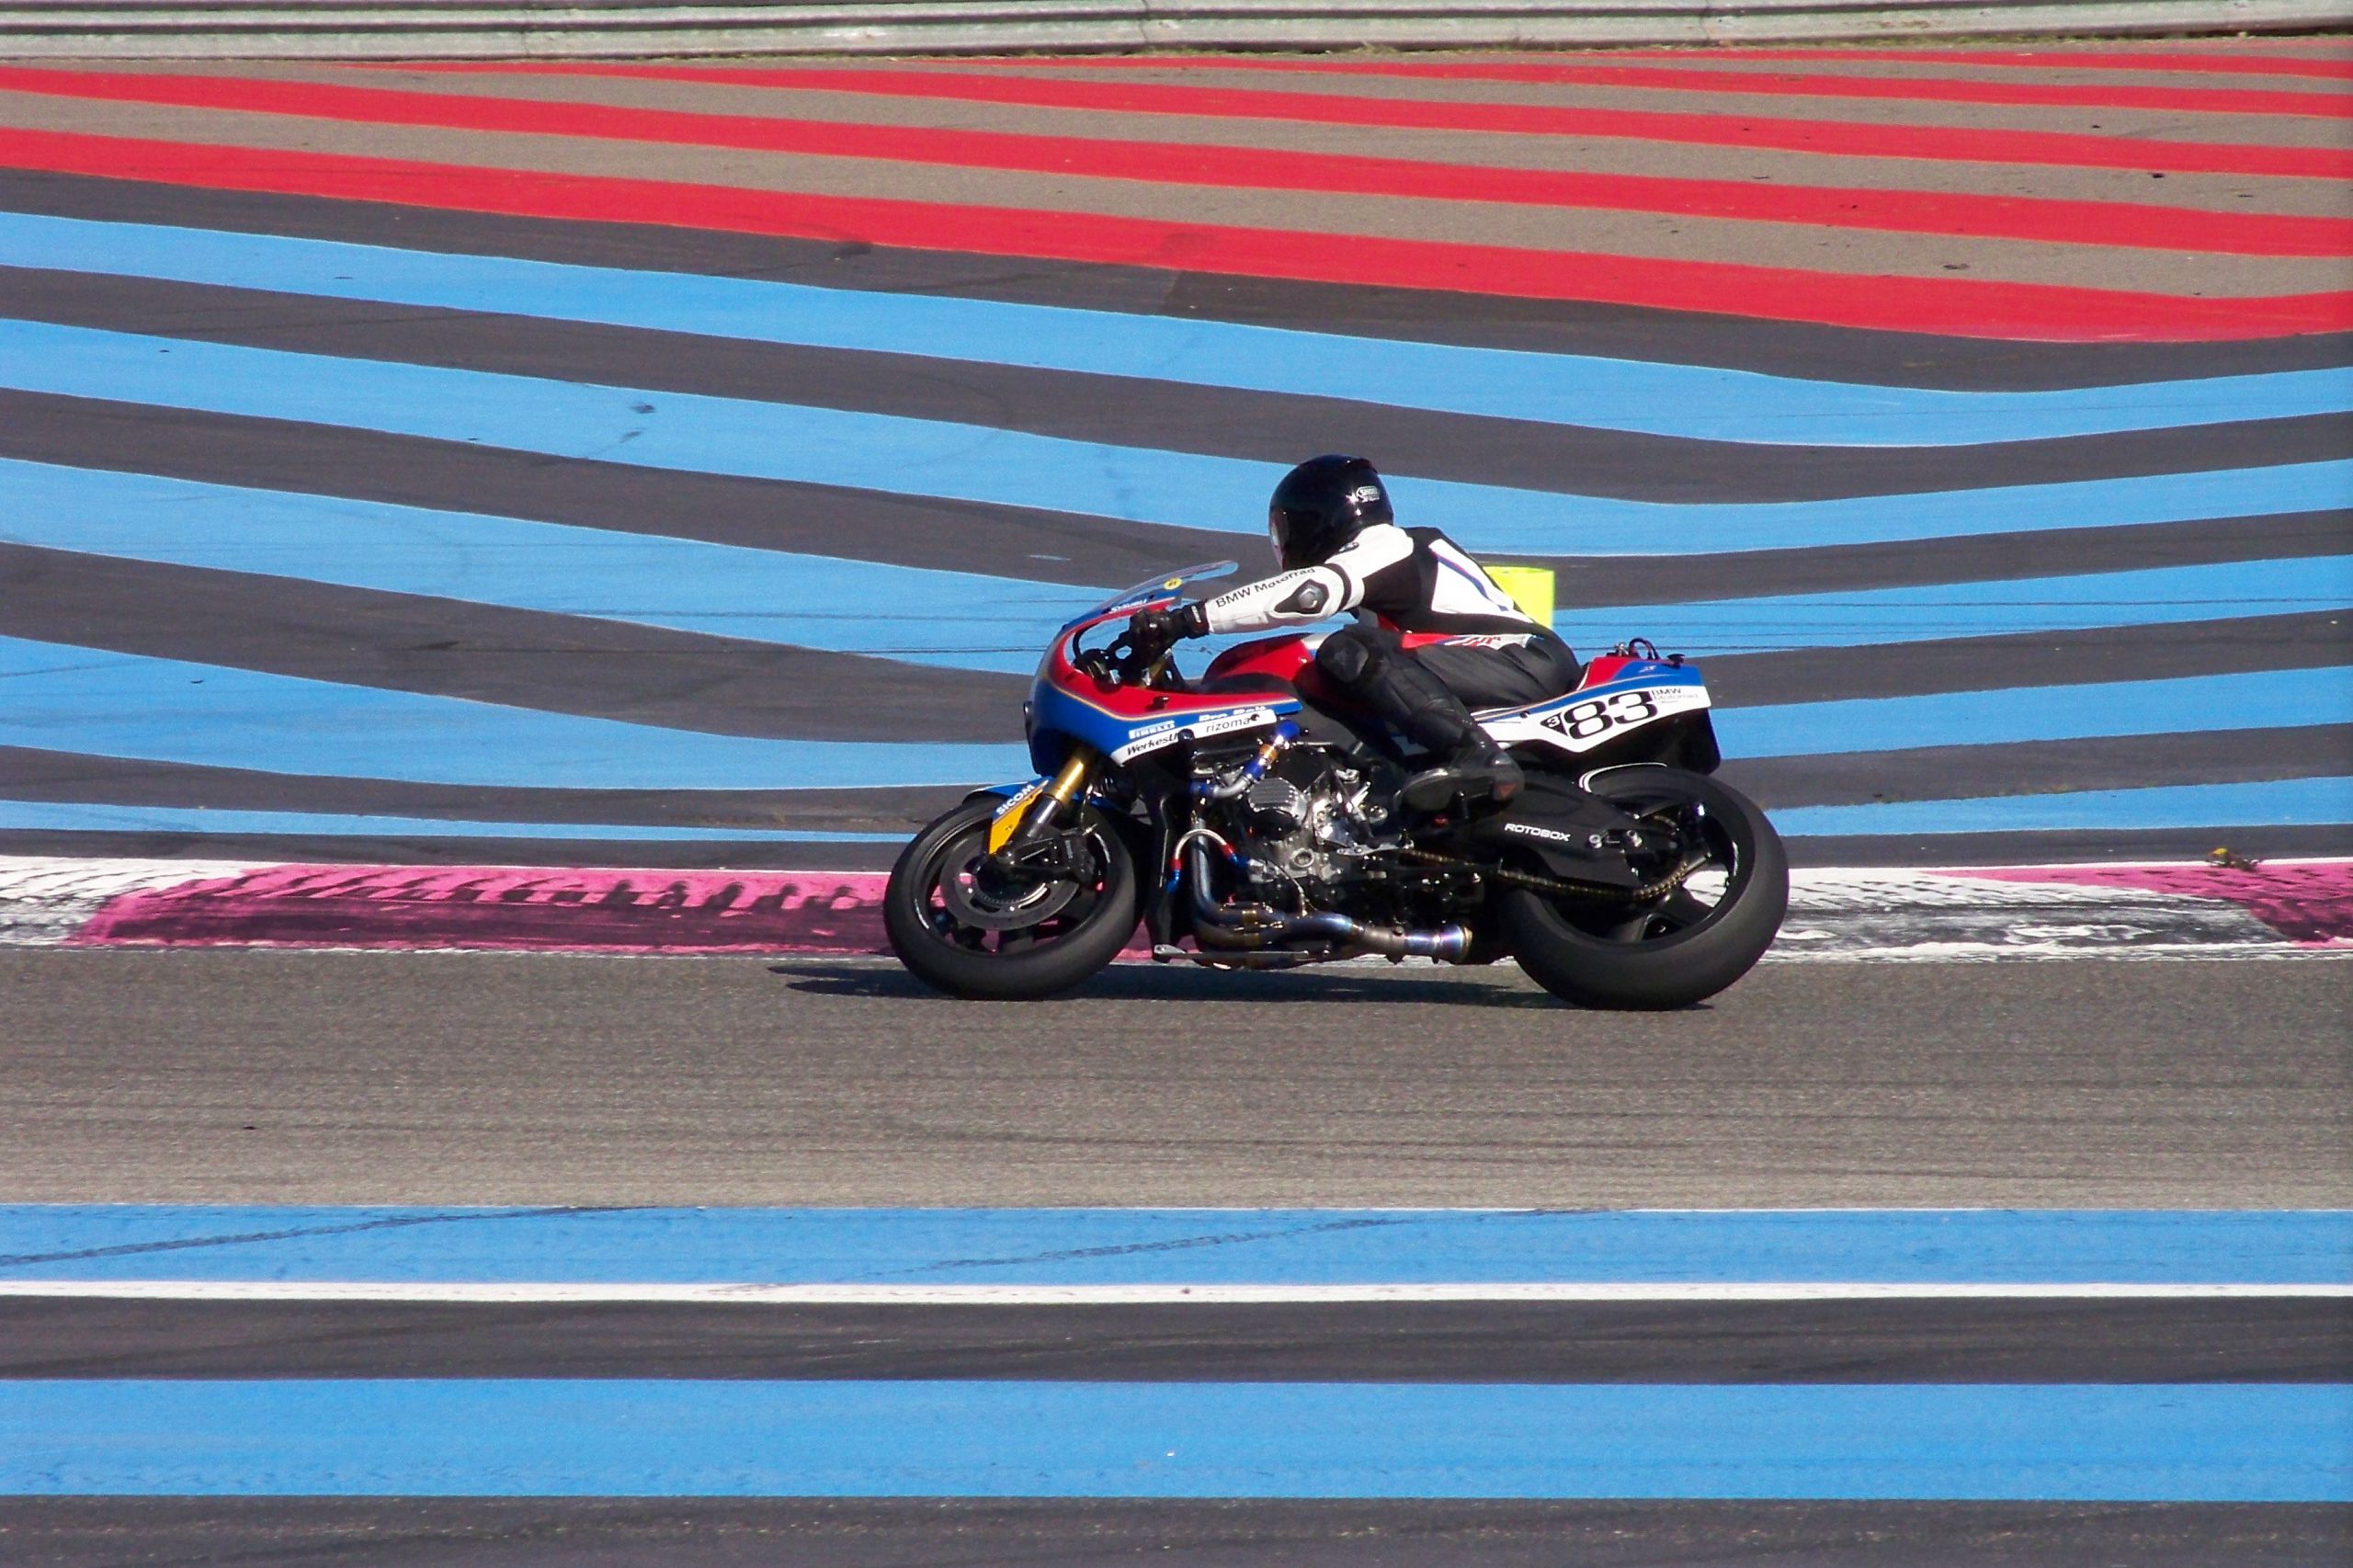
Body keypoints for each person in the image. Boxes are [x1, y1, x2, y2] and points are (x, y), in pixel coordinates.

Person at [1130, 454, 1578, 813]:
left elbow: (1307, 595)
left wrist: (1190, 620)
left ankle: (1476, 755)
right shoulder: (1380, 574)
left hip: (1520, 658)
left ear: (1317, 517)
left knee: (1346, 650)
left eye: (1286, 527)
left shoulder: (1389, 544)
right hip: (1487, 664)